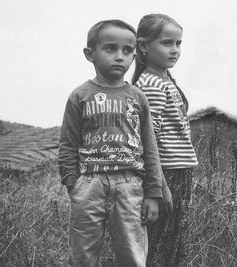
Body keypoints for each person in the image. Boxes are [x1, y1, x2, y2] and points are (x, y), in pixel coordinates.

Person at [58, 19, 163, 267]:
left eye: (127, 51)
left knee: (133, 256)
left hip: (130, 186)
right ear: (90, 54)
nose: (120, 57)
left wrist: (153, 193)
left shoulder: (137, 97)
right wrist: (73, 183)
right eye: (110, 49)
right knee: (82, 256)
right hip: (89, 184)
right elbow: (68, 144)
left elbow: (150, 147)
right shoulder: (79, 96)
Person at [132, 14, 199, 267]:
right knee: (159, 246)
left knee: (174, 244)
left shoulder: (165, 80)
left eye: (178, 43)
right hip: (165, 175)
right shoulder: (151, 85)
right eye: (167, 43)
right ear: (144, 46)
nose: (175, 50)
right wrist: (160, 187)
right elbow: (148, 140)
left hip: (178, 172)